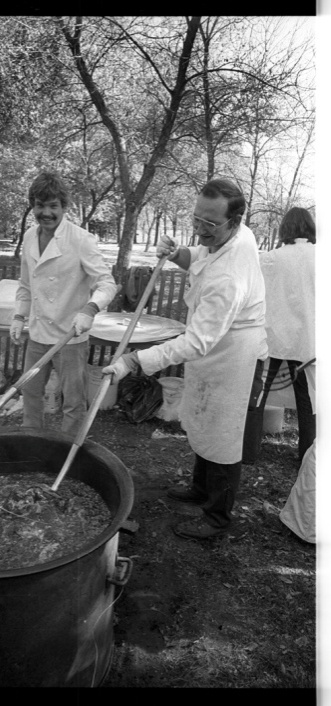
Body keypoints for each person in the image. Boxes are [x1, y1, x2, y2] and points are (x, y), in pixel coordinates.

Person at [103, 178, 268, 540]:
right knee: (202, 421)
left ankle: (217, 518)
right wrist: (178, 251)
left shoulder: (230, 279)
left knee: (223, 434)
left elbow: (195, 342)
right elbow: (200, 255)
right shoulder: (233, 237)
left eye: (209, 224)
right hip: (215, 347)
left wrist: (133, 362)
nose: (201, 230)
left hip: (233, 356)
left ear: (235, 221)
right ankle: (200, 488)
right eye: (196, 220)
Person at [9, 171, 117, 437]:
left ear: (64, 207)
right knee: (31, 394)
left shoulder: (80, 239)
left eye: (53, 206)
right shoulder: (30, 237)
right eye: (39, 205)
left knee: (72, 401)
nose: (46, 212)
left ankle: (69, 453)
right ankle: (32, 445)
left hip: (71, 336)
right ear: (32, 206)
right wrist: (19, 316)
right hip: (37, 334)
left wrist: (89, 310)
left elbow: (106, 283)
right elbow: (25, 285)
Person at [259, 207, 315, 466]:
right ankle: (306, 460)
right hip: (307, 342)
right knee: (308, 405)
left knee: (257, 396)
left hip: (274, 337)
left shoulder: (271, 258)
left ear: (285, 229)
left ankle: (246, 451)